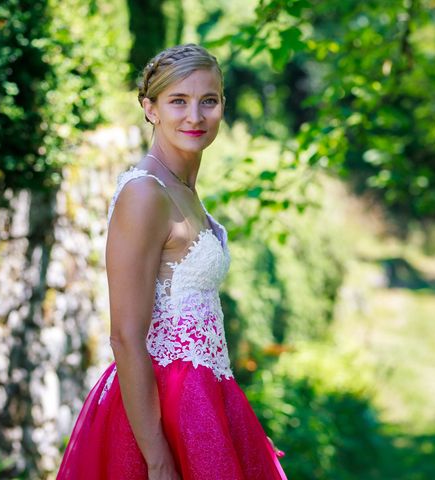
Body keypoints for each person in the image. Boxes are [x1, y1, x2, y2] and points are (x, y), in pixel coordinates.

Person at [56, 44, 288, 480]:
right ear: (150, 108)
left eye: (209, 101)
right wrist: (158, 458)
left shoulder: (183, 188)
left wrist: (236, 430)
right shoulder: (145, 194)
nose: (195, 117)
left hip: (205, 400)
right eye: (178, 101)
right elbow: (125, 336)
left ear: (223, 105)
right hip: (160, 408)